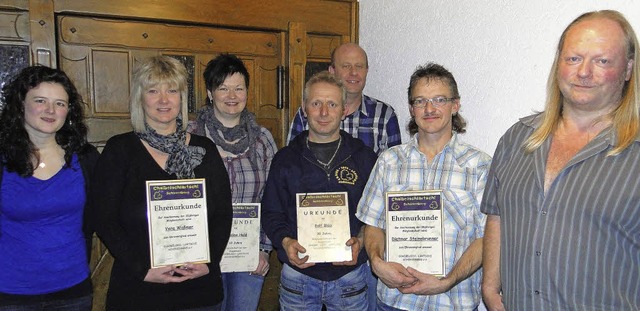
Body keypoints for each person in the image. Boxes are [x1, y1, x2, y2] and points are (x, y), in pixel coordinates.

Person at [481, 10, 640, 311]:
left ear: (628, 69)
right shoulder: (517, 139)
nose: (584, 72)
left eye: (602, 61)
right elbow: (496, 215)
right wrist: (490, 287)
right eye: (574, 58)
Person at [91, 56, 233, 310]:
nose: (164, 100)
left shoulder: (205, 149)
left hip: (199, 289)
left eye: (172, 90)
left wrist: (209, 263)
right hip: (139, 290)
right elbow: (104, 219)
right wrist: (142, 269)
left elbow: (223, 214)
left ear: (182, 98)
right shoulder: (120, 150)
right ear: (140, 98)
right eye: (153, 91)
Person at [357, 63, 492, 310]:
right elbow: (373, 224)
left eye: (439, 99)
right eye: (420, 101)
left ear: (455, 105)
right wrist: (376, 263)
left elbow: (488, 238)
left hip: (452, 302)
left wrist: (448, 281)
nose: (429, 109)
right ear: (411, 108)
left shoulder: (480, 166)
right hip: (395, 301)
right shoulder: (389, 161)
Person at [262, 71, 377, 310]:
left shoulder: (365, 158)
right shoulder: (284, 159)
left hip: (350, 278)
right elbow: (271, 214)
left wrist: (362, 241)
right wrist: (285, 243)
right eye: (316, 103)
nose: (324, 112)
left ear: (344, 109)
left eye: (332, 104)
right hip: (298, 279)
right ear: (305, 108)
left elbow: (377, 215)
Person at [0, 66, 99, 310]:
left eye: (60, 103)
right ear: (21, 104)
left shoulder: (85, 158)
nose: (51, 110)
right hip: (12, 292)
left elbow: (105, 213)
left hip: (73, 289)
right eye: (40, 100)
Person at [190, 54, 277, 311]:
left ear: (247, 92)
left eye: (239, 88)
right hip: (201, 253)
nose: (232, 95)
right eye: (223, 88)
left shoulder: (263, 139)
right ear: (209, 92)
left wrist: (264, 248)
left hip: (247, 253)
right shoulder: (190, 136)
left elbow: (271, 199)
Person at [287, 43, 401, 155]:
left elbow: (395, 168)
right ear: (332, 70)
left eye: (359, 66)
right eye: (346, 66)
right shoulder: (308, 113)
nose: (354, 72)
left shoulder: (384, 114)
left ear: (367, 71)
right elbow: (291, 161)